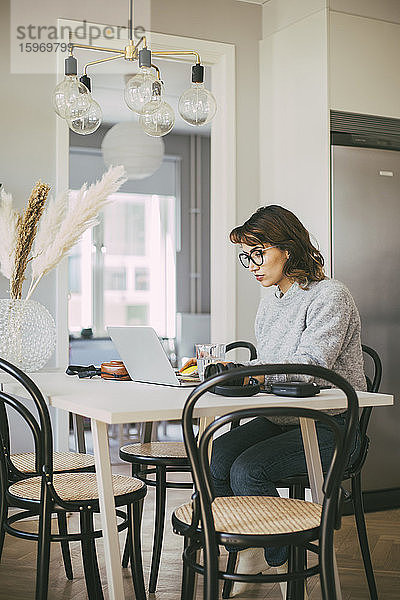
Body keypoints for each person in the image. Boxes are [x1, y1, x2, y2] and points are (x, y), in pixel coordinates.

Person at [182, 205, 366, 595]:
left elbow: (310, 368)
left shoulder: (330, 296)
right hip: (286, 419)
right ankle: (250, 544)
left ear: (288, 248)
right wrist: (235, 368)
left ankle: (284, 558)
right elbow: (271, 364)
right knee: (220, 455)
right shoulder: (272, 300)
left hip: (331, 426)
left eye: (258, 253)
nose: (251, 264)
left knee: (248, 470)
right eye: (246, 255)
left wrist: (257, 371)